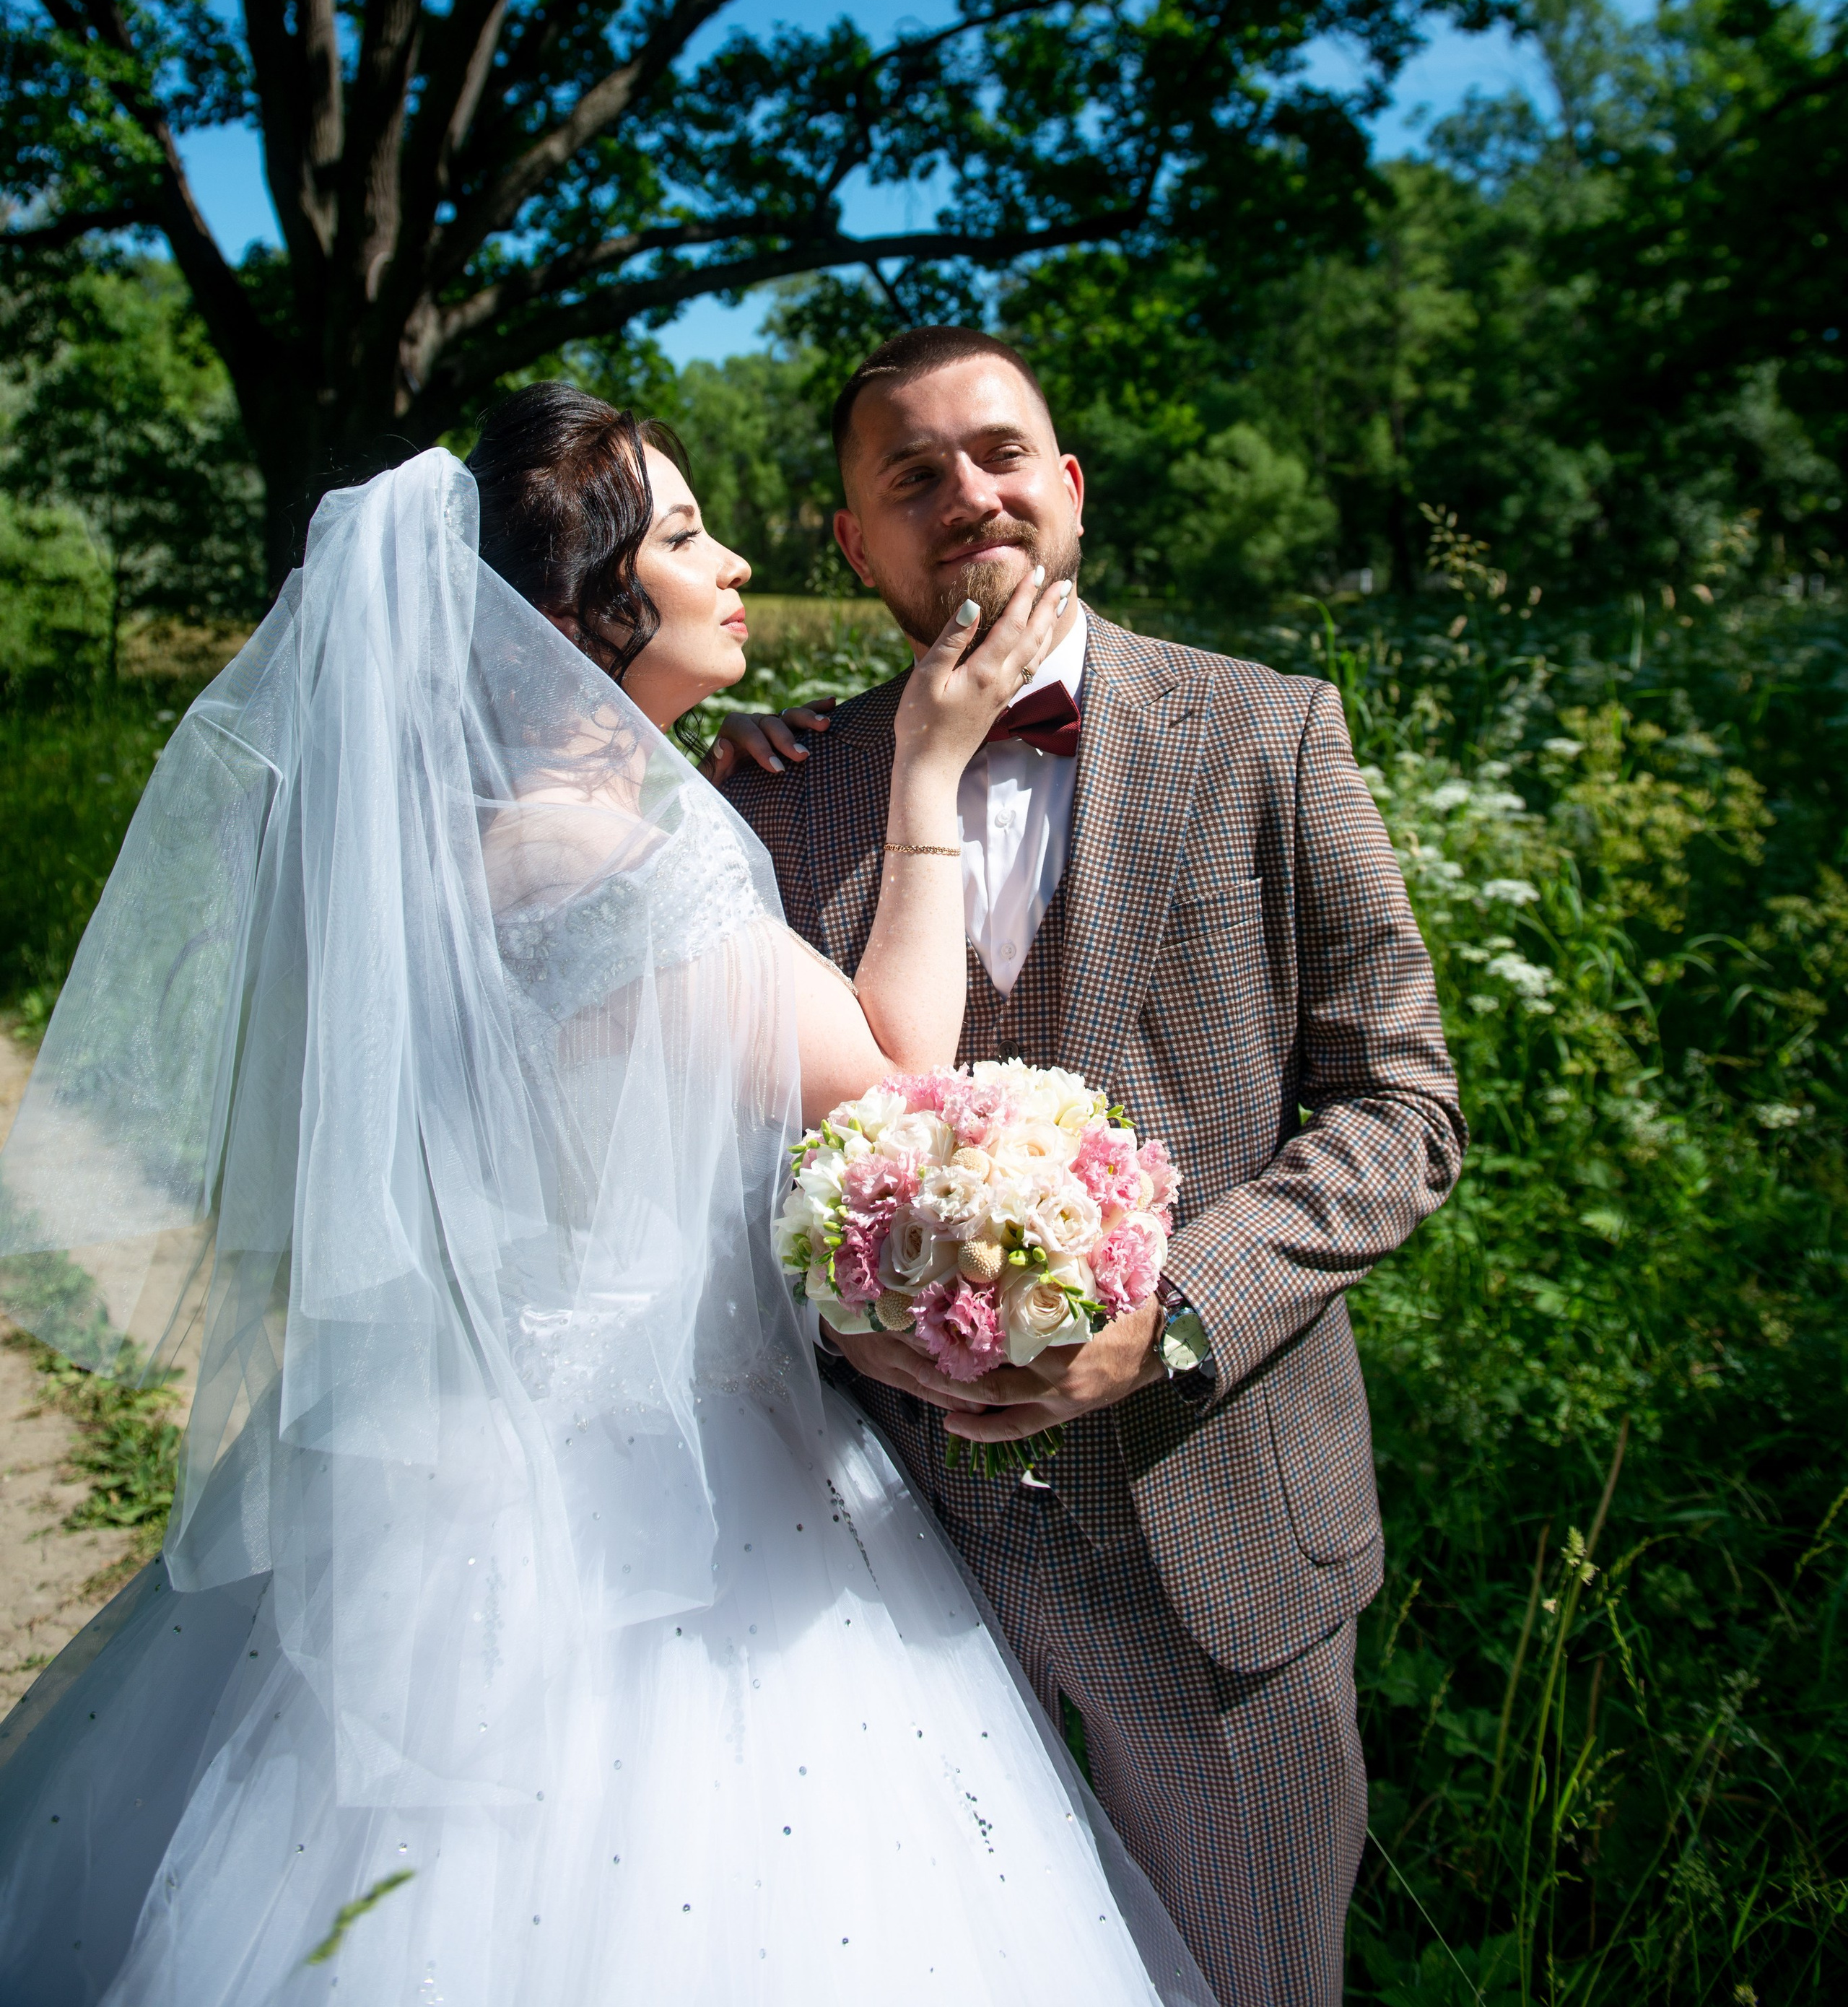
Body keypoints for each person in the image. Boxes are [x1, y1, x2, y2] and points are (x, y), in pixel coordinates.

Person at [0, 388, 1214, 2007]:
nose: (734, 567)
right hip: (658, 1489)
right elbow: (892, 1072)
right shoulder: (600, 853)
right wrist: (924, 771)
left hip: (480, 1447)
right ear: (582, 609)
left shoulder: (511, 834)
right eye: (689, 535)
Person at [716, 327, 1467, 2007]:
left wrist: (1173, 1312)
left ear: (1062, 485)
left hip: (1218, 1553)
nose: (961, 492)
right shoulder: (769, 797)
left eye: (995, 453)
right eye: (907, 476)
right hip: (879, 1558)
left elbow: (1401, 1108)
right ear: (852, 540)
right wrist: (840, 1313)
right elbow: (717, 1149)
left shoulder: (1268, 733)